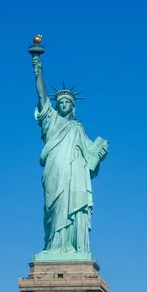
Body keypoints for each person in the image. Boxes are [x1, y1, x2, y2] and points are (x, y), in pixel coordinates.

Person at [32, 55, 108, 255]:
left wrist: (100, 153)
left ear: (73, 107)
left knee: (71, 205)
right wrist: (38, 71)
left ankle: (71, 245)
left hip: (75, 176)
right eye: (61, 101)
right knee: (53, 208)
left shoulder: (78, 128)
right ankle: (53, 245)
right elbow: (41, 97)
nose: (64, 103)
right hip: (54, 171)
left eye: (68, 101)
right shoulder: (51, 122)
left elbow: (90, 157)